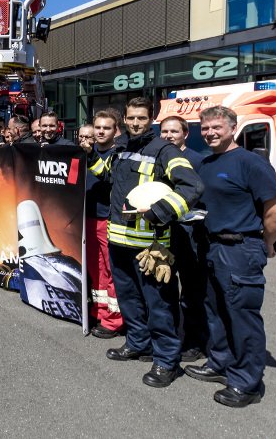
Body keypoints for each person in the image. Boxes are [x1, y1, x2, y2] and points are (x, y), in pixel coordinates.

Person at [87, 96, 203, 389]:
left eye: (141, 118)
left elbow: (193, 186)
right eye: (131, 118)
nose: (136, 123)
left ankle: (166, 361)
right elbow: (108, 175)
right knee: (129, 300)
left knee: (160, 304)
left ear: (151, 119)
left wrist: (161, 212)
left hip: (150, 245)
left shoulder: (164, 150)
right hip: (118, 241)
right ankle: (138, 343)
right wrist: (89, 156)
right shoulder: (122, 147)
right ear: (124, 120)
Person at [185, 106, 276, 408]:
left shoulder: (250, 162)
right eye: (205, 128)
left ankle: (246, 383)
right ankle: (220, 363)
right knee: (215, 311)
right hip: (211, 247)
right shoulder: (206, 163)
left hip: (240, 248)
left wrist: (265, 243)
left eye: (217, 127)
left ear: (233, 128)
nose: (210, 133)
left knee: (243, 317)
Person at [159, 115, 209, 362]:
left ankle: (194, 342)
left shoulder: (198, 161)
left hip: (189, 234)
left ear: (185, 134)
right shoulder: (158, 159)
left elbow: (203, 199)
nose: (168, 136)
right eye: (164, 132)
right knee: (163, 287)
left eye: (174, 132)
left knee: (191, 292)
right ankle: (168, 337)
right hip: (163, 233)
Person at [82, 112, 125, 339]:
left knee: (111, 270)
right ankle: (98, 311)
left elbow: (109, 177)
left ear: (115, 130)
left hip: (107, 219)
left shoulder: (117, 155)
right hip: (87, 217)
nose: (100, 132)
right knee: (94, 269)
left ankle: (114, 319)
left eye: (106, 128)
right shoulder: (86, 152)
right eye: (97, 127)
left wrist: (90, 157)